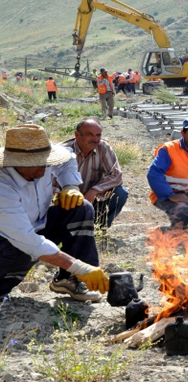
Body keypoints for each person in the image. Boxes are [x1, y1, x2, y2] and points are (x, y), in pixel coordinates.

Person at [0, 124, 109, 302]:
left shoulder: (41, 163)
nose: (44, 171)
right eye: (37, 165)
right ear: (15, 162)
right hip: (9, 239)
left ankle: (69, 279)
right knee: (20, 252)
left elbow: (68, 159)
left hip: (36, 226)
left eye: (47, 163)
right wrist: (80, 267)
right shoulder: (3, 187)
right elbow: (28, 242)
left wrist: (70, 186)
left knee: (81, 208)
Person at [62, 118, 128, 229]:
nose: (95, 139)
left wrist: (94, 191)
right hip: (68, 201)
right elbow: (51, 184)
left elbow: (116, 175)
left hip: (94, 198)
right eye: (90, 135)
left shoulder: (103, 148)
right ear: (77, 135)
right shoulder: (63, 151)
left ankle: (100, 228)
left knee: (120, 193)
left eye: (98, 135)